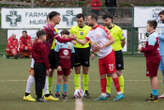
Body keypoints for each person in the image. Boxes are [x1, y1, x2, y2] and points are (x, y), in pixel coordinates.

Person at [76, 14, 124, 101]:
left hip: (109, 54)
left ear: (94, 20)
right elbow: (83, 42)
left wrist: (102, 46)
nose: (87, 21)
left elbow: (112, 40)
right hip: (101, 56)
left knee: (113, 73)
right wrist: (75, 39)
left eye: (88, 19)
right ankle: (103, 94)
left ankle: (119, 93)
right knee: (102, 75)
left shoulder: (102, 29)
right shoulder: (90, 32)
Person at [43, 11, 75, 94]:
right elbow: (60, 40)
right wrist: (71, 39)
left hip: (47, 53)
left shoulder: (51, 28)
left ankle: (46, 93)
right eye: (58, 17)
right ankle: (44, 93)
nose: (60, 18)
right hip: (43, 54)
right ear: (54, 18)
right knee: (43, 73)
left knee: (45, 72)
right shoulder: (49, 28)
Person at [103, 15, 126, 96]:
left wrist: (120, 48)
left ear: (111, 20)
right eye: (105, 20)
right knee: (108, 72)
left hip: (117, 53)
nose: (106, 21)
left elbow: (123, 40)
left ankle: (121, 91)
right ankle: (108, 92)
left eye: (107, 19)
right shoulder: (103, 29)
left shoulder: (118, 29)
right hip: (107, 53)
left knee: (119, 72)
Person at [70, 13, 91, 98]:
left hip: (85, 50)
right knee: (77, 71)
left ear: (84, 20)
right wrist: (72, 41)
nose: (79, 22)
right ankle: (77, 90)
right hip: (76, 51)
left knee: (85, 71)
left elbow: (90, 41)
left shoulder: (89, 29)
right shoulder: (73, 29)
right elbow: (71, 39)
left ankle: (86, 90)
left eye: (81, 21)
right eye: (78, 21)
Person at [139, 20, 161, 102]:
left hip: (153, 58)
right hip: (153, 57)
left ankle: (155, 96)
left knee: (153, 76)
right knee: (152, 76)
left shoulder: (152, 36)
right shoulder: (153, 35)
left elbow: (150, 48)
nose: (146, 27)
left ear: (151, 27)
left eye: (147, 26)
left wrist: (142, 49)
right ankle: (154, 93)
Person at [54, 30, 75, 99]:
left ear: (68, 36)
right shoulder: (59, 44)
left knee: (66, 79)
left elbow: (73, 57)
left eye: (66, 34)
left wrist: (71, 67)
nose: (64, 36)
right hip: (60, 65)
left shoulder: (71, 45)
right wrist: (57, 65)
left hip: (67, 65)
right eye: (63, 34)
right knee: (59, 78)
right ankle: (57, 93)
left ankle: (65, 93)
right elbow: (56, 55)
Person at [32, 30, 50, 102]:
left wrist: (37, 59)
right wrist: (47, 68)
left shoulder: (35, 43)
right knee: (41, 81)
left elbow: (33, 54)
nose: (46, 37)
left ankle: (38, 95)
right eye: (45, 35)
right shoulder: (42, 45)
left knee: (37, 81)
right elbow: (45, 58)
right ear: (42, 36)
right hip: (41, 65)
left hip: (36, 64)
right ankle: (39, 97)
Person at [158, 10, 164, 98]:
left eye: (161, 17)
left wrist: (156, 35)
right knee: (163, 74)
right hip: (162, 53)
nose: (160, 19)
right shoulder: (163, 26)